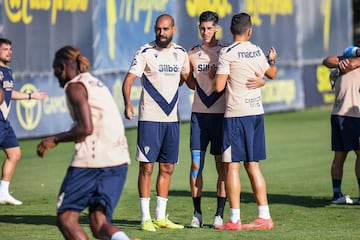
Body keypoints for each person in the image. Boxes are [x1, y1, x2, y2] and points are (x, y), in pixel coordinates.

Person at [36, 45, 131, 240]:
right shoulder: (94, 82)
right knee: (99, 224)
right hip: (119, 160)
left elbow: (86, 129)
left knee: (66, 219)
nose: (56, 77)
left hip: (92, 162)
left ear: (62, 67)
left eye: (56, 71)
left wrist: (54, 139)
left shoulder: (75, 86)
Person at [186, 11, 266, 228]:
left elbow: (244, 74)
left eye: (209, 28)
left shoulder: (226, 51)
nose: (205, 32)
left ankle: (220, 214)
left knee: (223, 166)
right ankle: (197, 213)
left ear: (217, 29)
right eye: (202, 28)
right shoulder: (192, 53)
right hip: (199, 117)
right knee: (195, 165)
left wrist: (261, 81)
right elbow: (190, 81)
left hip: (222, 117)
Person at [122, 14, 190, 232]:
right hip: (150, 118)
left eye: (166, 29)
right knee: (147, 168)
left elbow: (187, 80)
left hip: (172, 120)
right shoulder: (145, 52)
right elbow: (128, 80)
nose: (162, 33)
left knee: (168, 167)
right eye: (158, 29)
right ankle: (145, 218)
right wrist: (128, 104)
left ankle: (161, 217)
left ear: (174, 30)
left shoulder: (181, 54)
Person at [213, 13, 277, 230]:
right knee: (253, 165)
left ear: (231, 31)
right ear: (249, 31)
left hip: (236, 115)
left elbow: (219, 87)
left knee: (231, 166)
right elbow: (272, 74)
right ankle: (264, 216)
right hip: (256, 113)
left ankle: (234, 219)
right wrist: (271, 61)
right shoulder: (257, 49)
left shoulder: (227, 52)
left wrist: (217, 74)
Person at [0, 38, 48, 206]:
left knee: (14, 154)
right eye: (5, 49)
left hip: (4, 121)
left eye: (10, 49)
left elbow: (8, 93)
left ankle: (3, 192)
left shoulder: (7, 70)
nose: (9, 52)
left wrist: (30, 96)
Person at [323, 50, 360, 204]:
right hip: (352, 117)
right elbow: (327, 60)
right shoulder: (350, 63)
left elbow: (327, 61)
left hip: (338, 114)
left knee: (339, 157)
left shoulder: (343, 63)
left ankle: (336, 194)